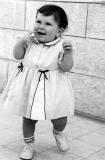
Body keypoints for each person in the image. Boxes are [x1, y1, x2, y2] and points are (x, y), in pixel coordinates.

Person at [0, 4, 74, 160]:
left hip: (53, 87)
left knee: (59, 117)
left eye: (48, 24)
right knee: (28, 117)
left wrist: (68, 53)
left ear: (59, 31)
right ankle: (28, 144)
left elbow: (66, 68)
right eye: (38, 21)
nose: (41, 26)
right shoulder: (28, 41)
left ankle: (58, 133)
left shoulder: (62, 46)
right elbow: (17, 55)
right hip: (30, 85)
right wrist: (21, 42)